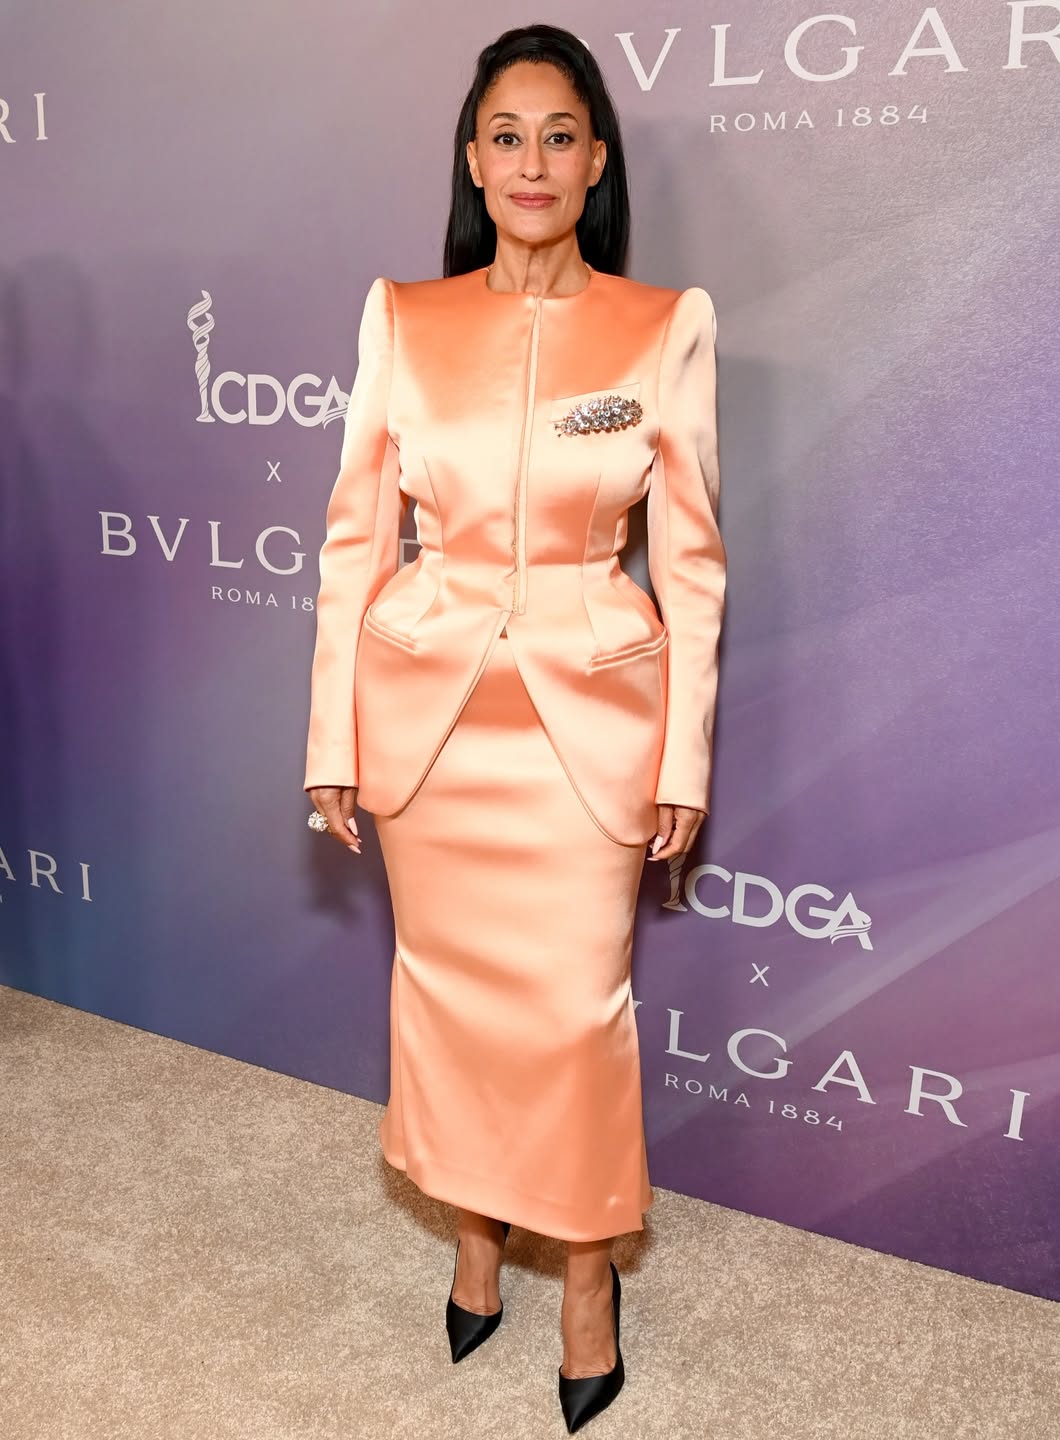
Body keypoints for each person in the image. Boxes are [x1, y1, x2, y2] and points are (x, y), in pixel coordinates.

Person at [303, 23, 727, 1434]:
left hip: (587, 727)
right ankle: (477, 1242)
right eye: (505, 134)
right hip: (428, 726)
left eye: (559, 134)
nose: (531, 160)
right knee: (446, 994)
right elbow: (355, 540)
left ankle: (587, 1275)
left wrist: (683, 758)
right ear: (472, 161)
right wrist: (333, 741)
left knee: (573, 1015)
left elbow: (695, 564)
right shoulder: (403, 318)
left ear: (596, 160)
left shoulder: (663, 324)